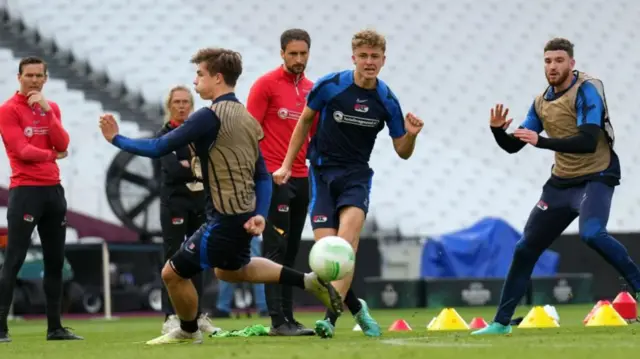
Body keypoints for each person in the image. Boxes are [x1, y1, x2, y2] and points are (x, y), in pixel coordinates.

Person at [98, 47, 343, 345]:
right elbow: (262, 175)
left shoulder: (208, 116)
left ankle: (188, 330)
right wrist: (259, 214)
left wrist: (116, 139)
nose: (195, 80)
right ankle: (306, 280)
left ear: (217, 77)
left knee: (171, 274)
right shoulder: (247, 118)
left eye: (200, 74)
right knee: (232, 272)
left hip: (224, 218)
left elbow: (159, 147)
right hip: (243, 212)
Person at [472, 37, 640, 335]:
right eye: (548, 61)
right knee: (525, 248)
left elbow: (588, 141)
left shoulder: (587, 88)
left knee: (591, 234)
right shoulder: (540, 102)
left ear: (571, 64)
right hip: (561, 183)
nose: (553, 66)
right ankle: (500, 324)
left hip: (596, 175)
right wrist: (498, 132)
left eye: (559, 60)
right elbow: (515, 146)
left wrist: (542, 141)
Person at [273, 29, 424, 339]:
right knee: (327, 260)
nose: (369, 62)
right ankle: (358, 308)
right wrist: (289, 164)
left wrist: (411, 136)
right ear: (353, 57)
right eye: (364, 56)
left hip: (356, 177)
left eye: (375, 57)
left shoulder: (386, 100)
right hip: (322, 174)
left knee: (344, 246)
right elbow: (304, 121)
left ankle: (329, 319)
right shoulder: (330, 86)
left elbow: (402, 152)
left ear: (384, 60)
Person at [0, 56, 82, 342]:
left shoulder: (52, 108)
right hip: (25, 191)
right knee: (14, 259)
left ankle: (55, 328)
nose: (34, 80)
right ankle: (0, 328)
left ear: (46, 79)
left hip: (53, 191)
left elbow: (63, 142)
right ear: (19, 77)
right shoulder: (8, 110)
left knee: (55, 261)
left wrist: (48, 112)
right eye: (29, 75)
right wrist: (52, 156)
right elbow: (22, 150)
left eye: (39, 76)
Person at [245, 28, 316, 336]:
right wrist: (259, 176)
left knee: (290, 251)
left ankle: (289, 317)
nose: (298, 59)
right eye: (293, 54)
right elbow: (248, 132)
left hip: (302, 178)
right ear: (282, 53)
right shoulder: (265, 85)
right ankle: (277, 321)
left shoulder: (314, 90)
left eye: (303, 53)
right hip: (274, 178)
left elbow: (313, 138)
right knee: (274, 249)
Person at [156, 85, 219, 335]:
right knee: (172, 258)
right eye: (177, 102)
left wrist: (188, 165)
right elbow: (172, 169)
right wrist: (193, 167)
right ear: (169, 106)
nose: (181, 106)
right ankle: (170, 315)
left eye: (185, 102)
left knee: (198, 259)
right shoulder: (165, 134)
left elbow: (209, 163)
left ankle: (198, 314)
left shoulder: (197, 133)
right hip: (175, 202)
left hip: (199, 201)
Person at [215, 236, 268, 317]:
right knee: (255, 267)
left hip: (235, 230)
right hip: (245, 230)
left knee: (228, 266)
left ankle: (222, 308)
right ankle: (264, 307)